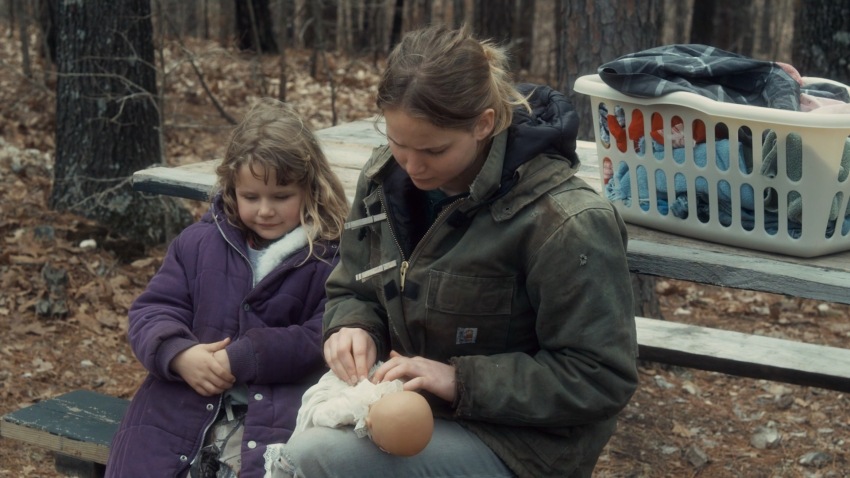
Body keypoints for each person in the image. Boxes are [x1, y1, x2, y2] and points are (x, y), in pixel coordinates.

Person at [279, 24, 639, 478]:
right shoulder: (382, 180)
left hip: (520, 444)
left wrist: (459, 380)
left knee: (315, 457)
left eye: (433, 149)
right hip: (409, 406)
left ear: (484, 123)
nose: (411, 166)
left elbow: (599, 377)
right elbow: (354, 287)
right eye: (397, 141)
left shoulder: (565, 222)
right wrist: (352, 326)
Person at [105, 98, 350, 478]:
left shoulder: (328, 257)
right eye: (250, 197)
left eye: (281, 197)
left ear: (310, 189)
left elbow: (322, 335)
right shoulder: (198, 243)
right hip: (178, 405)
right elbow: (153, 310)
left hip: (271, 414)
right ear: (231, 188)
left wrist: (246, 356)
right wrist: (178, 354)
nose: (264, 210)